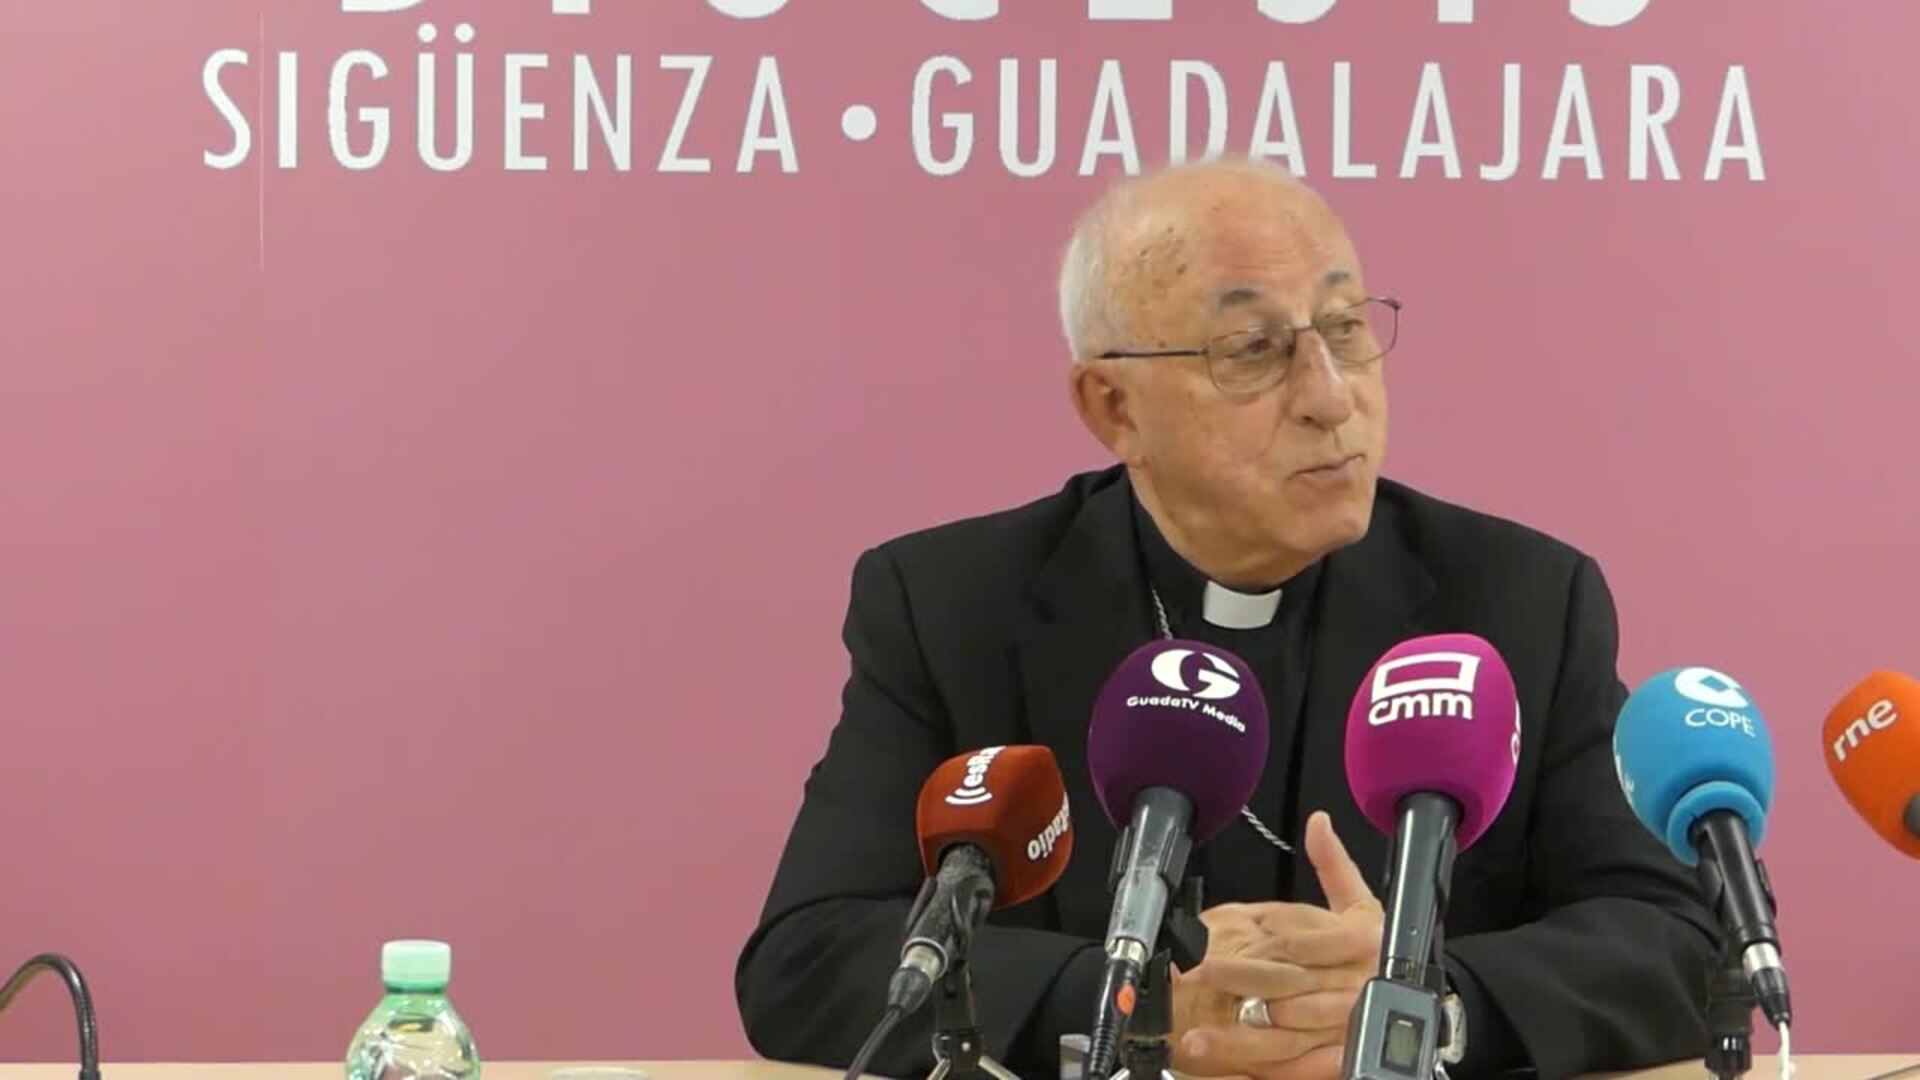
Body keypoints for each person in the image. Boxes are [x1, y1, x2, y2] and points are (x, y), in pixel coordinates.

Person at [733, 157, 1720, 1080]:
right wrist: (1133, 1001)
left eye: (1345, 328)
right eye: (1254, 349)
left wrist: (1426, 1003)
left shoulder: (1519, 601)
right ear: (1113, 405)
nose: (1331, 398)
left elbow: (1681, 941)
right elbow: (807, 957)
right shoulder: (953, 605)